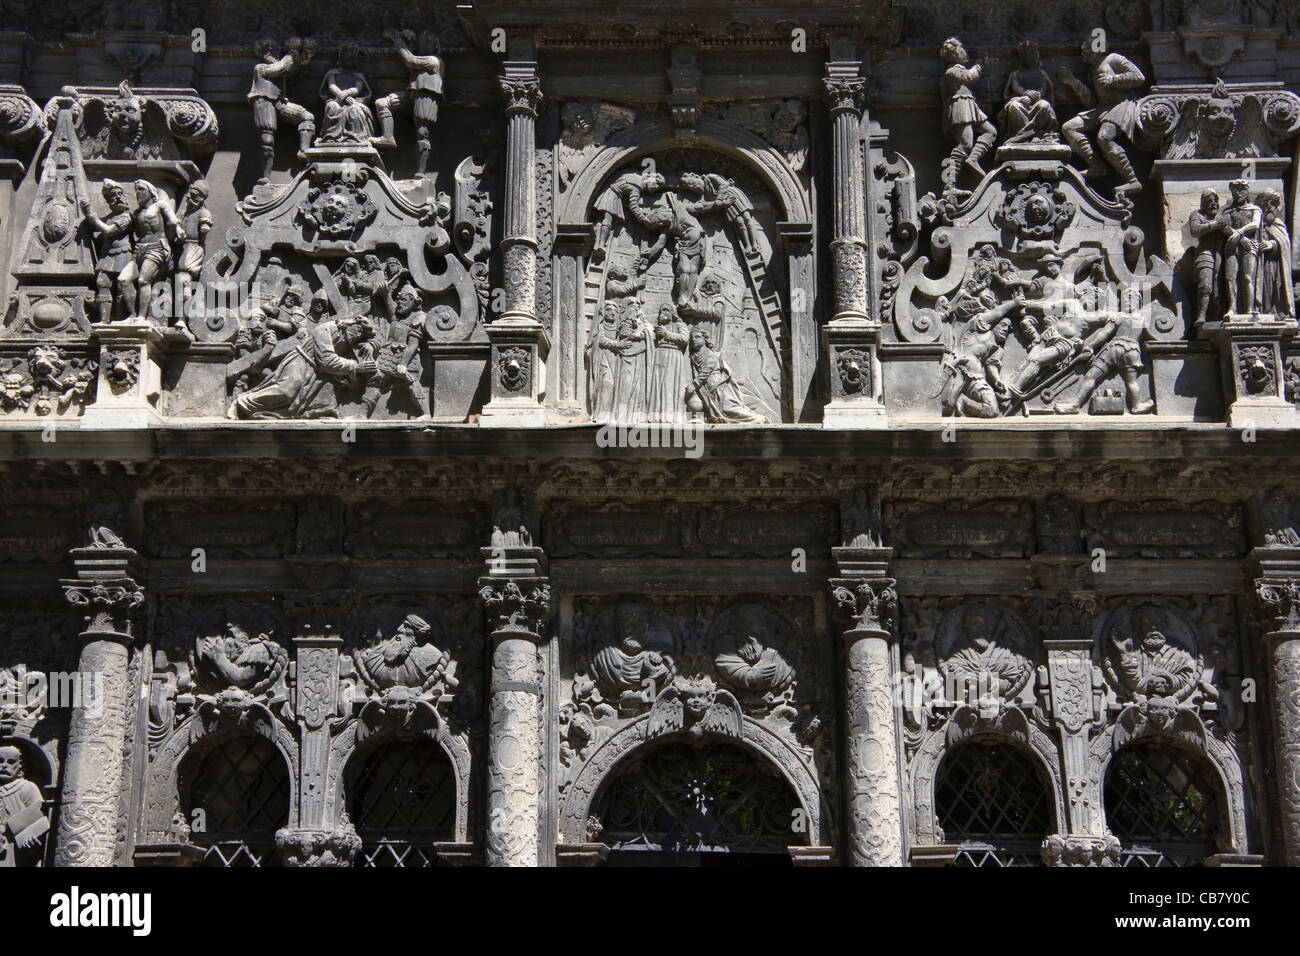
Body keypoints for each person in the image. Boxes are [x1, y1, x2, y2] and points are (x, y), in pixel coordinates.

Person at [230, 316, 376, 419]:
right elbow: (326, 360)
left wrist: (371, 345)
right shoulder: (326, 329)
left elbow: (379, 342)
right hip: (300, 361)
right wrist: (356, 366)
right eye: (358, 329)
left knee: (303, 405)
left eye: (361, 335)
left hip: (316, 372)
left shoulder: (346, 341)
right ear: (350, 323)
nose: (357, 335)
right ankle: (242, 403)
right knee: (285, 391)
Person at [1059, 40, 1146, 196]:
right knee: (1069, 127)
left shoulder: (1113, 59)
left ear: (1097, 50)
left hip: (1121, 105)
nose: (1083, 55)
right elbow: (1091, 102)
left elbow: (1139, 77)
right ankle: (1096, 165)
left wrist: (1114, 80)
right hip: (1103, 108)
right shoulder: (1092, 72)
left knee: (1104, 137)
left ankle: (1133, 180)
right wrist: (1073, 82)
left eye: (1086, 51)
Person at [248, 37, 316, 182]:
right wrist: (293, 51)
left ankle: (303, 151)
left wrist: (307, 53)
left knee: (307, 116)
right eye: (267, 51)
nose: (271, 53)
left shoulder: (282, 71)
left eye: (273, 50)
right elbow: (279, 68)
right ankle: (265, 177)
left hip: (279, 103)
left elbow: (296, 69)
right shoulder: (260, 68)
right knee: (267, 140)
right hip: (264, 101)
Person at [939, 37, 997, 190]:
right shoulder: (952, 71)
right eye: (961, 47)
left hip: (969, 106)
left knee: (990, 132)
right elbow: (970, 77)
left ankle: (973, 159)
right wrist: (979, 64)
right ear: (954, 53)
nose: (964, 51)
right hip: (960, 108)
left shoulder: (957, 70)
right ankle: (949, 185)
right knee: (965, 144)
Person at [684, 328, 767, 423]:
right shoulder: (694, 356)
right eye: (692, 338)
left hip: (720, 387)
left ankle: (758, 420)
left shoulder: (711, 354)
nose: (693, 339)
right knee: (720, 412)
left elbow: (707, 370)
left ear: (705, 339)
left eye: (697, 337)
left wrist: (695, 384)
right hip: (708, 389)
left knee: (728, 409)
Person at [80, 180, 133, 323]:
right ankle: (104, 320)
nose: (117, 198)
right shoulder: (109, 218)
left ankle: (124, 318)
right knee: (102, 282)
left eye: (119, 194)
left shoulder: (127, 217)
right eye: (113, 196)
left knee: (122, 286)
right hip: (107, 255)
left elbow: (109, 231)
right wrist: (87, 212)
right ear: (108, 201)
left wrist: (93, 218)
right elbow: (94, 226)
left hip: (123, 253)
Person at [1000, 40, 1057, 144]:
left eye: (1032, 55)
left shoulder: (1041, 73)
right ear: (1023, 58)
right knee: (1013, 106)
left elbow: (1044, 88)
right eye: (1027, 55)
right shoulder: (1016, 73)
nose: (1030, 57)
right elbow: (1015, 86)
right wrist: (1025, 93)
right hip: (1021, 101)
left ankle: (1033, 133)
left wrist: (1032, 96)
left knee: (1045, 106)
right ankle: (1030, 134)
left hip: (1037, 101)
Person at [0, 746, 47, 867]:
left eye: (10, 762)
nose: (4, 765)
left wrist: (33, 840)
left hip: (16, 852)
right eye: (0, 761)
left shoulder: (27, 788)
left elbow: (40, 816)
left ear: (20, 766)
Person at [1221, 179, 1262, 315]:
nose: (1238, 194)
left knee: (1247, 277)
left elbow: (1255, 224)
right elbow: (1224, 227)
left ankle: (1249, 309)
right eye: (1235, 191)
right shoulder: (1228, 211)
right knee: (1230, 277)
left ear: (1247, 192)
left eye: (1241, 190)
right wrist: (1240, 237)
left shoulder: (1254, 209)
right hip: (1232, 246)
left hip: (1249, 246)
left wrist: (1239, 233)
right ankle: (1232, 308)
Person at [1187, 189, 1224, 323]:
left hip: (1221, 254)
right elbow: (1195, 230)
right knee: (1205, 284)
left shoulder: (1222, 217)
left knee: (1221, 286)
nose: (1213, 204)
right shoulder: (1197, 215)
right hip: (1205, 253)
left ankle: (1219, 315)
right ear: (1203, 203)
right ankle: (1202, 314)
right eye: (1209, 201)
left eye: (1215, 201)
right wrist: (1215, 225)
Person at [648, 305, 690, 423]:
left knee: (669, 385)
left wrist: (666, 334)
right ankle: (656, 416)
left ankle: (670, 416)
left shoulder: (679, 325)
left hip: (673, 355)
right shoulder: (657, 327)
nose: (663, 313)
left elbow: (684, 339)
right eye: (661, 311)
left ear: (673, 313)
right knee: (657, 385)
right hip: (658, 355)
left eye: (666, 310)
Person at [1255, 188, 1293, 317]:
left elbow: (1285, 244)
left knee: (1276, 285)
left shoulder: (1277, 223)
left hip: (1274, 262)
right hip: (1261, 261)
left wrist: (1272, 244)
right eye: (1266, 205)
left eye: (1272, 205)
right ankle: (1265, 310)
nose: (1270, 208)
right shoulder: (1258, 224)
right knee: (1265, 286)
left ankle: (1278, 310)